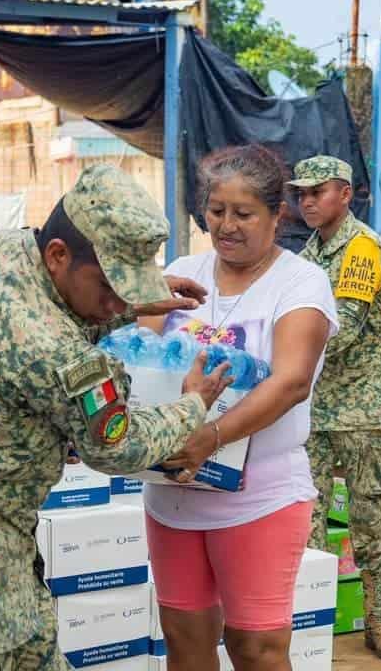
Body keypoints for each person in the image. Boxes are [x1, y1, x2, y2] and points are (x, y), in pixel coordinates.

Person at [0, 164, 233, 670]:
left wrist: (127, 301)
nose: (117, 302)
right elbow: (118, 444)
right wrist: (191, 404)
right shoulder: (59, 354)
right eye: (110, 286)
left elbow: (64, 306)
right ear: (58, 256)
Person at [138, 144, 338, 671]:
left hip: (259, 496)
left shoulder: (300, 283)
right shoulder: (183, 270)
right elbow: (137, 353)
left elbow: (292, 381)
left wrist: (212, 437)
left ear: (277, 215)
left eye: (244, 213)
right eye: (217, 211)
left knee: (257, 649)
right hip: (172, 491)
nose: (227, 226)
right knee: (184, 640)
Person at [292, 156, 381, 660]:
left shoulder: (361, 247)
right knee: (306, 518)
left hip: (363, 407)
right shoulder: (309, 252)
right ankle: (310, 626)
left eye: (318, 192)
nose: (308, 201)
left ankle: (379, 621)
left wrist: (280, 354)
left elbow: (342, 325)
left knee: (368, 520)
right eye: (301, 194)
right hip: (314, 408)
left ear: (345, 193)